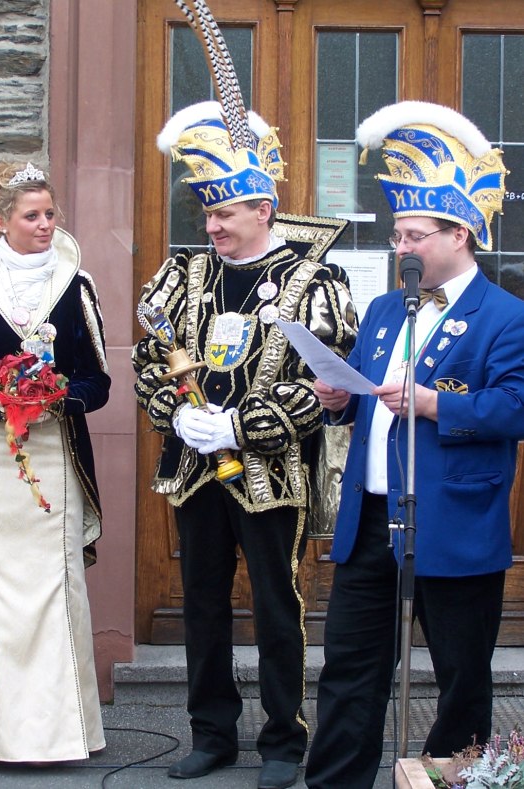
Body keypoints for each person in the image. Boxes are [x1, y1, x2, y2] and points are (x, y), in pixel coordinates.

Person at [133, 98, 357, 789]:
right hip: (195, 469)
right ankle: (212, 732)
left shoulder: (315, 281)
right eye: (207, 215)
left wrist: (239, 425)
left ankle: (285, 740)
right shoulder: (182, 275)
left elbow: (326, 381)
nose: (212, 227)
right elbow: (148, 360)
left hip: (273, 472)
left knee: (276, 602)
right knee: (200, 599)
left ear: (262, 206)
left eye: (223, 214)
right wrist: (176, 412)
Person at [304, 101, 524, 789]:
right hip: (372, 516)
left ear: (460, 233)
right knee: (349, 665)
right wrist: (339, 400)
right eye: (397, 233)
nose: (400, 245)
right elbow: (371, 402)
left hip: (452, 519)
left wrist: (432, 403)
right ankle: (338, 780)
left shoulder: (506, 315)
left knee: (460, 673)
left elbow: (512, 406)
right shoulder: (379, 309)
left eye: (413, 234)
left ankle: (451, 780)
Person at [0, 160, 110, 764]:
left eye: (50, 214)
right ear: (0, 221)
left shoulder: (75, 285)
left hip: (54, 455)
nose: (44, 224)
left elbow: (98, 380)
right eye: (31, 216)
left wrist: (58, 395)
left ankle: (61, 734)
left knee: (55, 589)